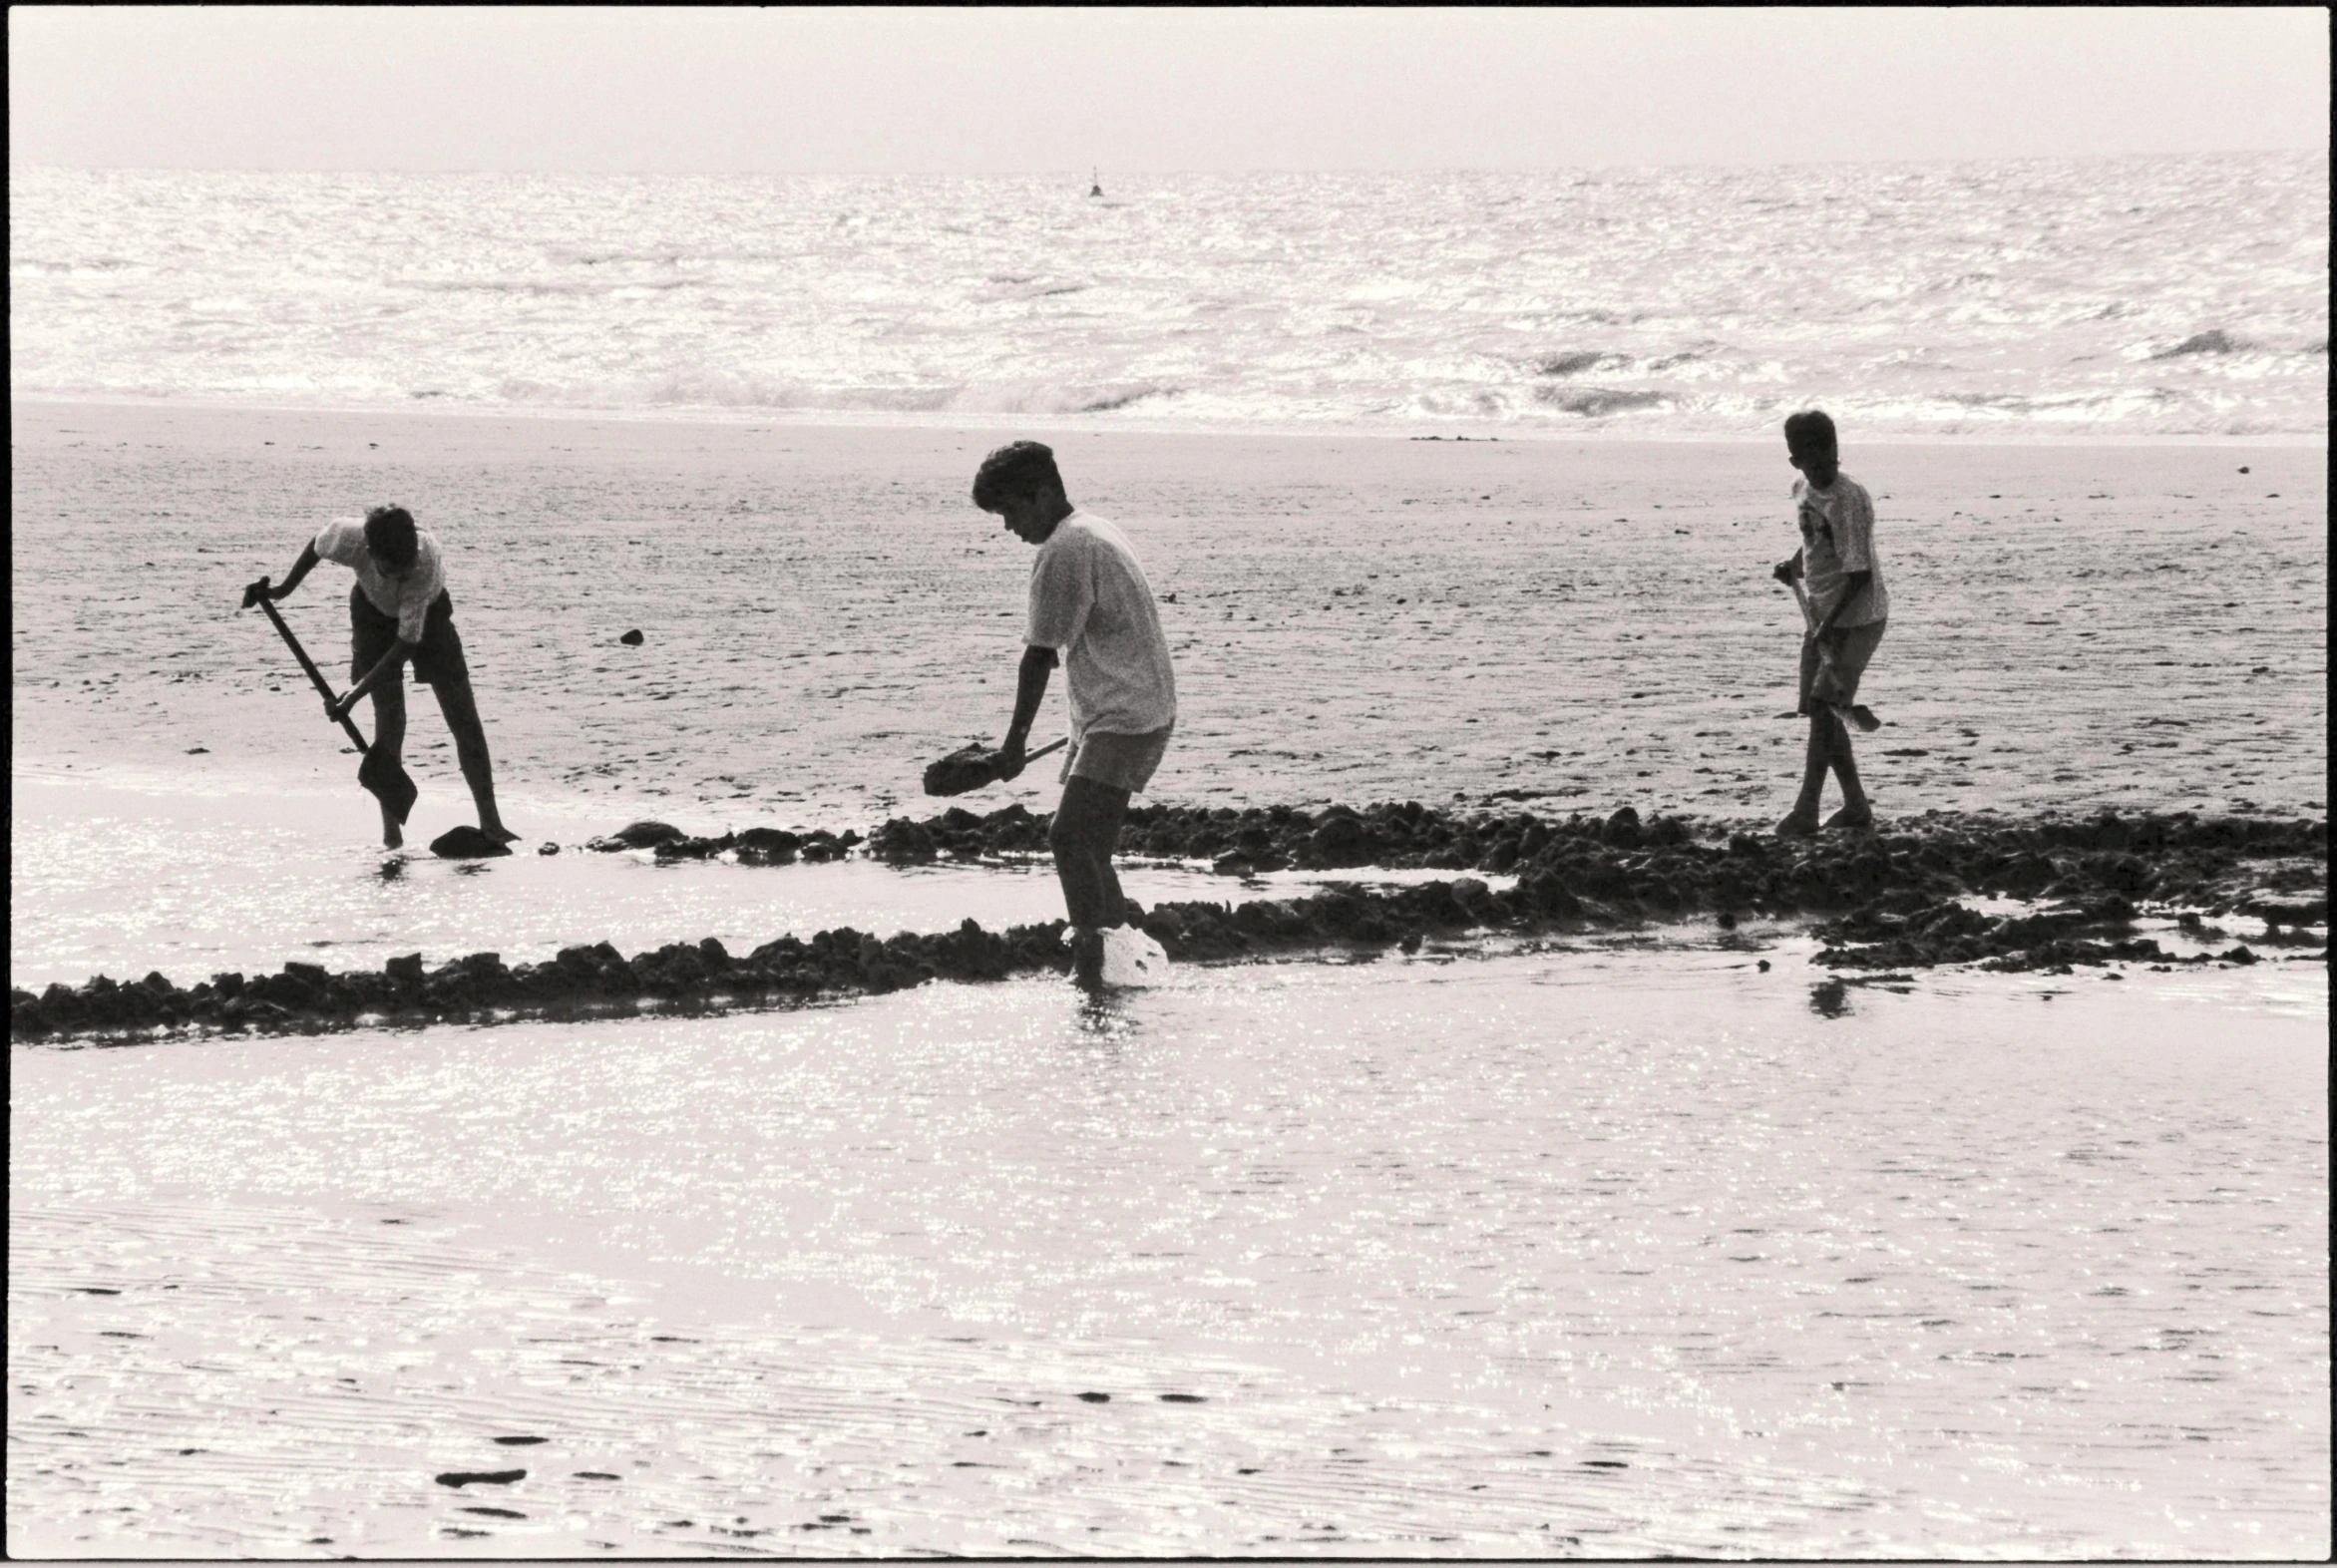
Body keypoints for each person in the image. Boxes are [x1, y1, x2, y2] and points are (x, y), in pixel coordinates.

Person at [973, 441, 1177, 990]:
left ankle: (1092, 966)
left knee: (1068, 837)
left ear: (1043, 495)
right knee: (1091, 849)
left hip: (1125, 715)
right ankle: (1125, 959)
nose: (1009, 527)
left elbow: (1039, 656)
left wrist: (1012, 746)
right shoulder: (1090, 528)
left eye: (1013, 511)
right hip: (1135, 706)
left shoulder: (1066, 550)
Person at [244, 506, 517, 851]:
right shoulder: (351, 538)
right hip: (371, 612)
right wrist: (282, 591)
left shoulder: (423, 567)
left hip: (429, 618)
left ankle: (492, 824)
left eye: (407, 569)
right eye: (394, 571)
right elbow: (317, 545)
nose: (403, 577)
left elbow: (405, 645)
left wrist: (353, 695)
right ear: (370, 554)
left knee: (463, 717)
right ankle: (392, 836)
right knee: (390, 722)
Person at [1771, 410, 1889, 836]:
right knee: (1826, 711)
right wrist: (1795, 565)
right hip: (1820, 614)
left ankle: (1806, 809)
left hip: (1857, 617)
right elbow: (1816, 540)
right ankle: (1856, 807)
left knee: (1825, 709)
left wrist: (1829, 627)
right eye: (1812, 461)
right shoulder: (1802, 489)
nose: (1823, 468)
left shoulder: (1850, 499)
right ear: (1795, 462)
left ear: (1838, 450)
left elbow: (1859, 576)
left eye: (1830, 458)